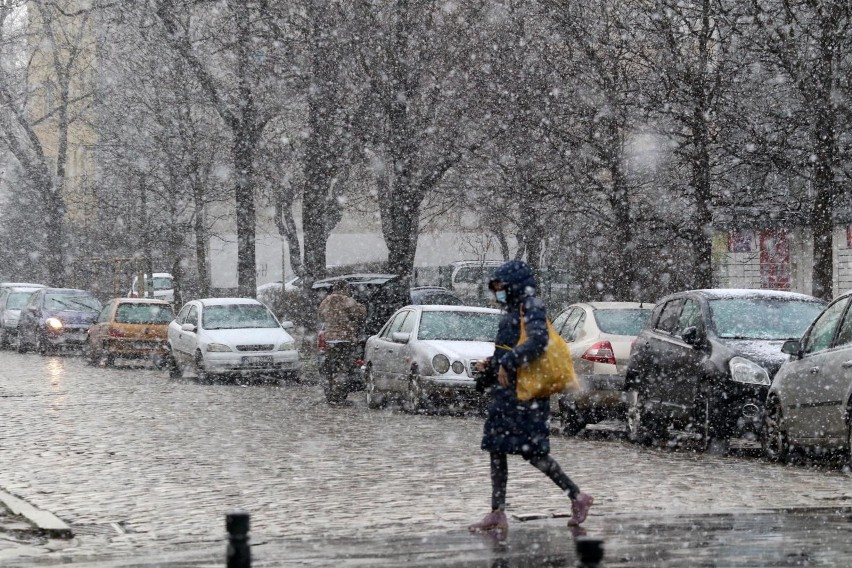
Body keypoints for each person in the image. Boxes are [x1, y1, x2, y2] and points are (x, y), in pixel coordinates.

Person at [468, 260, 593, 534]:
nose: (497, 292)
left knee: (534, 453)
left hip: (525, 396)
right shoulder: (513, 310)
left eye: (500, 287)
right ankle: (497, 511)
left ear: (513, 285)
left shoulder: (531, 306)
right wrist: (491, 365)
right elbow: (508, 350)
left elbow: (537, 342)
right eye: (495, 288)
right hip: (507, 394)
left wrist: (508, 361)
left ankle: (577, 496)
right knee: (497, 448)